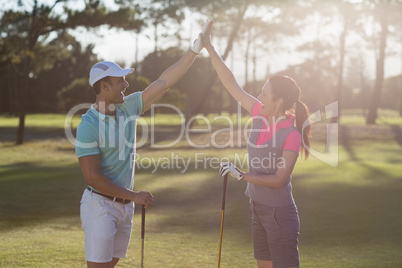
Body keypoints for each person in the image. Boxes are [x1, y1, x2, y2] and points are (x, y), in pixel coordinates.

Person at [75, 22, 208, 268]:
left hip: (125, 207)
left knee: (110, 265)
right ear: (104, 86)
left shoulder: (127, 106)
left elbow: (163, 82)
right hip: (100, 206)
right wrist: (133, 195)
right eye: (120, 81)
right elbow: (92, 177)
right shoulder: (88, 125)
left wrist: (195, 50)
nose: (126, 85)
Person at [203, 21, 311, 268]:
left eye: (264, 94)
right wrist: (209, 47)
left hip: (279, 216)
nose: (258, 97)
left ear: (279, 100)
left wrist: (242, 175)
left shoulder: (292, 134)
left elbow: (280, 179)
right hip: (257, 209)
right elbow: (231, 84)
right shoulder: (260, 114)